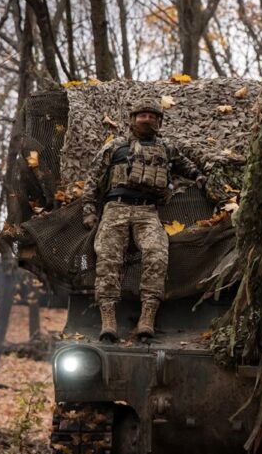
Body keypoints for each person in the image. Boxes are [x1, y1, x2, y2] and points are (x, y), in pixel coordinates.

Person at [82, 99, 206, 341]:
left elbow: (187, 166)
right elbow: (93, 178)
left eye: (152, 116)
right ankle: (108, 320)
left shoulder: (167, 148)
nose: (147, 119)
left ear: (159, 122)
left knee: (157, 254)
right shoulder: (115, 147)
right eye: (142, 115)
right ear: (132, 119)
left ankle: (147, 318)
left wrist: (201, 177)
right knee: (107, 258)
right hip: (115, 209)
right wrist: (89, 209)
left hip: (147, 212)